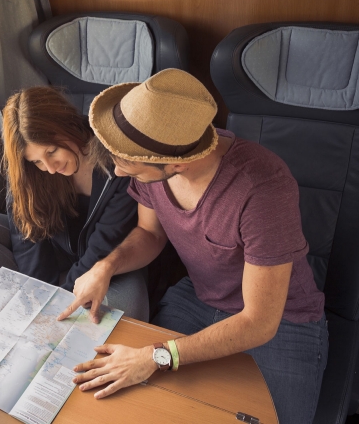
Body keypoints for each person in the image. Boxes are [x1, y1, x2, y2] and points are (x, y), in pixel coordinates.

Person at [57, 69, 327, 424]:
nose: (120, 175)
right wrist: (105, 267)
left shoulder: (263, 189)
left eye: (132, 169)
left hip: (282, 320)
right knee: (140, 408)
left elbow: (259, 322)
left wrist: (155, 357)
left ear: (179, 163)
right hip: (198, 299)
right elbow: (150, 234)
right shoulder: (158, 156)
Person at [0, 86, 149, 321]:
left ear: (67, 124)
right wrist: (39, 294)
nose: (50, 167)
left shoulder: (116, 162)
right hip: (56, 252)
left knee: (132, 306)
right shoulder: (29, 171)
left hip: (109, 261)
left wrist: (60, 301)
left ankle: (53, 294)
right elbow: (26, 236)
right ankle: (35, 293)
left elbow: (105, 243)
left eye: (53, 151)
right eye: (36, 161)